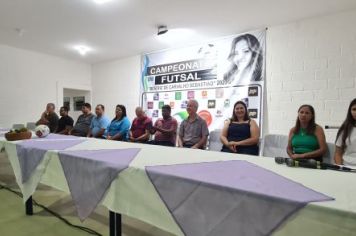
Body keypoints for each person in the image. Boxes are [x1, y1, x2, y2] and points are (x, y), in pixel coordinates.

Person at [334, 98, 356, 165]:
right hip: (347, 166)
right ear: (350, 111)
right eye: (354, 109)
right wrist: (340, 167)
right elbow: (338, 153)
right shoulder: (345, 129)